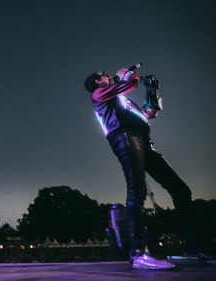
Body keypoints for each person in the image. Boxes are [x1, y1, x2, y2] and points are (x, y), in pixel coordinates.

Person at [84, 68, 210, 270]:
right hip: (124, 137)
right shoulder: (99, 93)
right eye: (105, 74)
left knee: (180, 190)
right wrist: (127, 73)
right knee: (137, 189)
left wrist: (152, 91)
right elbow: (129, 83)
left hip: (142, 138)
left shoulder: (121, 100)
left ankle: (200, 247)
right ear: (99, 82)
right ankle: (138, 253)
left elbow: (149, 113)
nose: (109, 74)